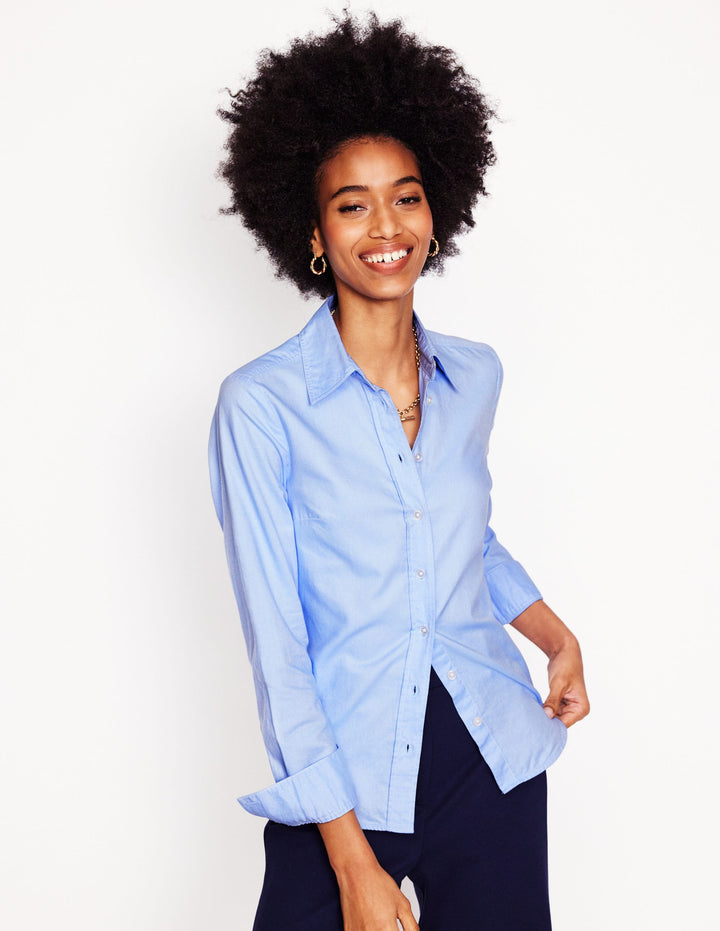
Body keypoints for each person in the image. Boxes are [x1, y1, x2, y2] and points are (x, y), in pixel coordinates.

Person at [208, 12, 589, 930]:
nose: (385, 226)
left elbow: (462, 535)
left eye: (405, 197)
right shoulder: (261, 405)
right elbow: (278, 646)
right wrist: (351, 860)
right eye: (352, 205)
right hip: (344, 776)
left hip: (487, 753)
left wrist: (552, 633)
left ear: (435, 211)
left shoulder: (474, 374)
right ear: (313, 231)